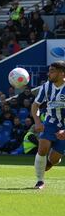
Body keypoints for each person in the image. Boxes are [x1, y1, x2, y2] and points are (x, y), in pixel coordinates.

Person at [31, 61, 65, 189]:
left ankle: (52, 161)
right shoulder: (46, 87)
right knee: (42, 147)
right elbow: (35, 105)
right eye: (49, 70)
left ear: (62, 73)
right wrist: (37, 121)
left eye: (52, 71)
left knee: (54, 159)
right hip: (50, 122)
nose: (48, 74)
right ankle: (40, 181)